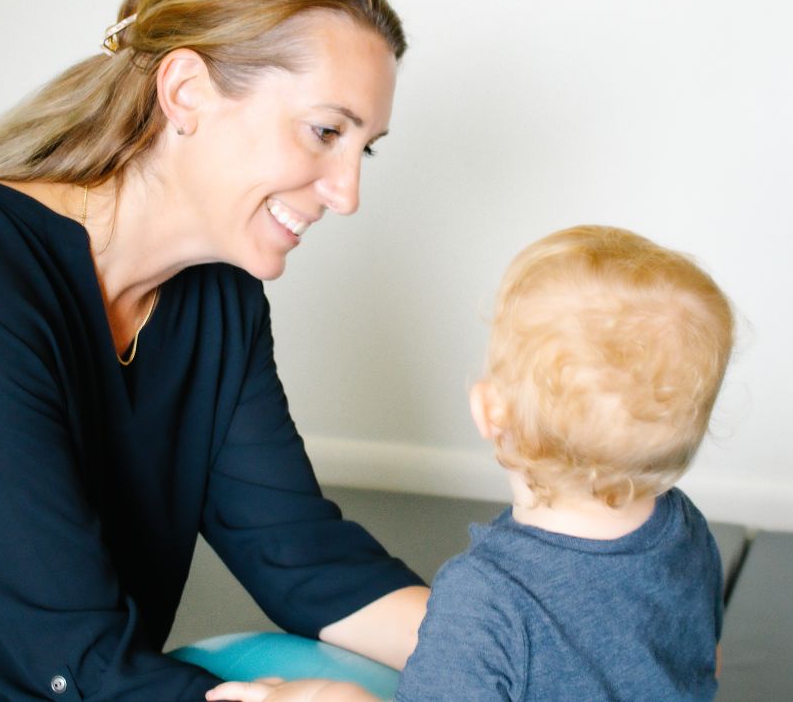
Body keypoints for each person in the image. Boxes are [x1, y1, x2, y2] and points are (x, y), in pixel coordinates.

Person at [0, 0, 430, 700]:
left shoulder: (218, 295)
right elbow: (66, 661)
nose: (346, 194)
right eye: (324, 132)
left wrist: (532, 660)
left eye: (363, 148)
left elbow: (308, 562)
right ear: (185, 93)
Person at [208, 225, 734, 702]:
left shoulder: (484, 597)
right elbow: (702, 662)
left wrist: (323, 696)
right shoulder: (682, 528)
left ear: (489, 410)